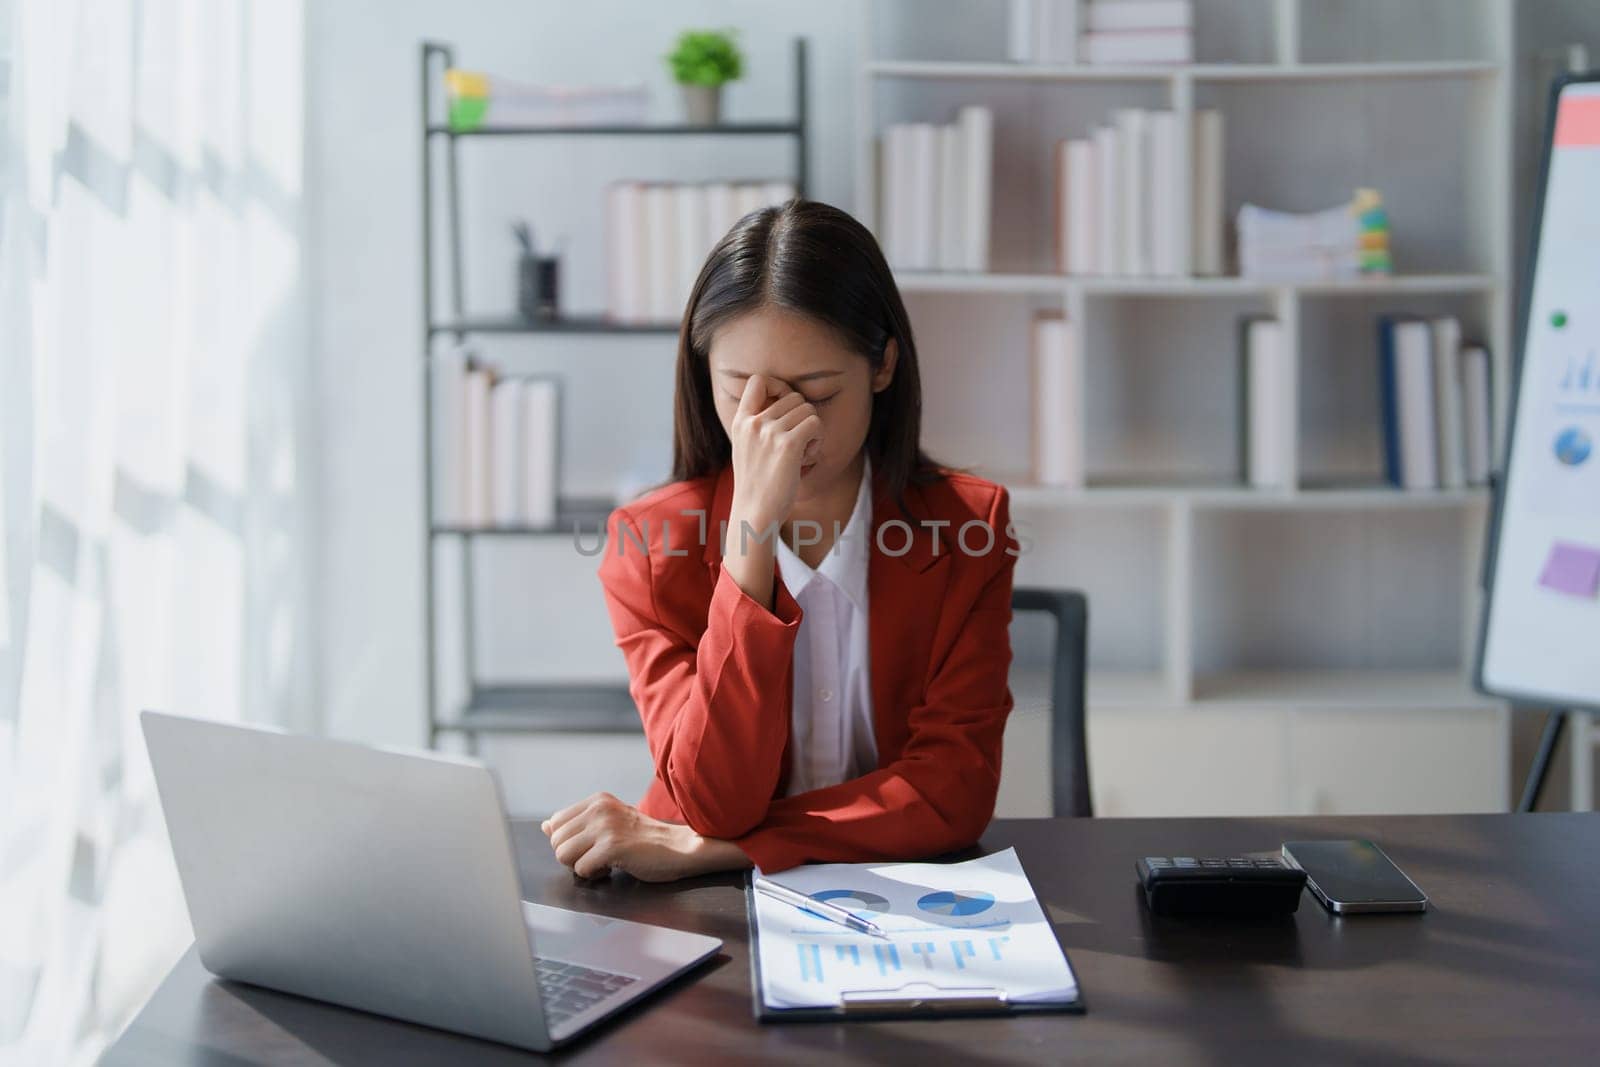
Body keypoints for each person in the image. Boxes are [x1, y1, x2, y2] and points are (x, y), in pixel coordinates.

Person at [541, 199, 1019, 879]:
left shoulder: (969, 530)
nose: (773, 430)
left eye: (815, 394)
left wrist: (722, 852)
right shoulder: (647, 549)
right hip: (700, 908)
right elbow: (714, 801)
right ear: (704, 374)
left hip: (854, 892)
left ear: (883, 366)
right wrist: (749, 538)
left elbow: (953, 794)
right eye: (740, 392)